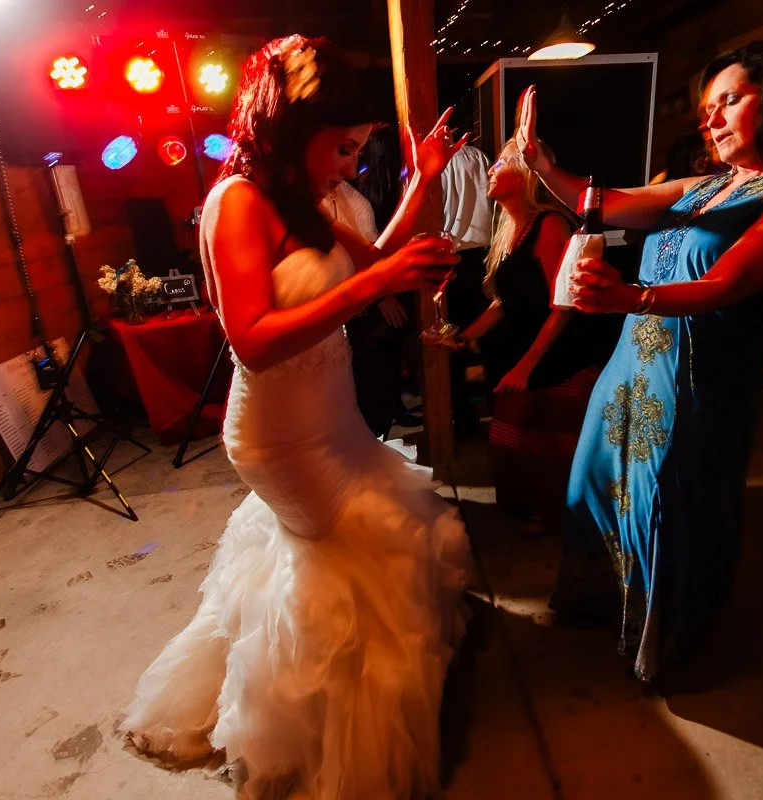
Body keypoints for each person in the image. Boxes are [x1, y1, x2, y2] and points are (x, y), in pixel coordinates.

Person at [121, 36, 472, 800]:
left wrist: (426, 182)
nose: (347, 166)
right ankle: (327, 747)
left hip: (333, 415)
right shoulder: (236, 202)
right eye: (340, 147)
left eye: (355, 151)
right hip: (282, 434)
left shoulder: (300, 202)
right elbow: (249, 339)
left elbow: (376, 256)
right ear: (290, 126)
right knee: (360, 570)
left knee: (383, 545)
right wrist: (373, 285)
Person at [521, 41, 763, 690]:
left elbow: (729, 283)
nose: (712, 119)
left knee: (670, 506)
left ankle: (668, 643)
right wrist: (540, 164)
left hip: (698, 378)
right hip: (630, 367)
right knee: (595, 486)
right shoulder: (708, 185)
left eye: (729, 101)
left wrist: (628, 296)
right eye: (706, 109)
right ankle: (600, 607)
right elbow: (607, 202)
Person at [444, 139, 615, 534]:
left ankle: (557, 520)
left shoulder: (550, 224)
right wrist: (460, 337)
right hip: (529, 355)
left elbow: (564, 305)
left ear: (525, 175)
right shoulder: (511, 228)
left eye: (500, 162)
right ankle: (536, 512)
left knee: (549, 446)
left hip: (560, 358)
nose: (489, 169)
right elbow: (503, 302)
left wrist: (525, 366)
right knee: (511, 439)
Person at [321, 171, 408, 438]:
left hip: (352, 310)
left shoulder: (355, 201)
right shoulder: (282, 204)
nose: (352, 162)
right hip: (316, 325)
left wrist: (382, 294)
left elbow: (371, 255)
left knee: (369, 390)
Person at [440, 143, 497, 434]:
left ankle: (463, 417)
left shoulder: (442, 161)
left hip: (454, 254)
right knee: (487, 337)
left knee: (453, 339)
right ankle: (496, 407)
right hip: (483, 252)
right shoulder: (479, 155)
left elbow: (439, 207)